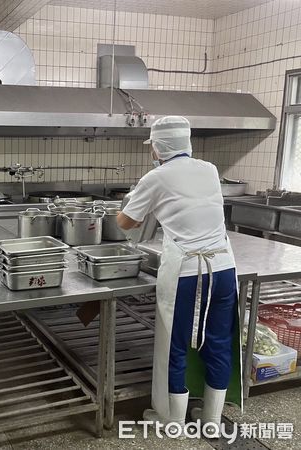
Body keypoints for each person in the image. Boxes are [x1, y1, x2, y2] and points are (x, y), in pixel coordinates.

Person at [116, 116, 242, 436]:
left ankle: (172, 420)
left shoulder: (155, 178)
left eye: (153, 147)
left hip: (188, 272)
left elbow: (126, 223)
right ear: (187, 142)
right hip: (224, 268)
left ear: (157, 147)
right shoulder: (210, 169)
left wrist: (127, 202)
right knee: (218, 341)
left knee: (175, 343)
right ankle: (211, 419)